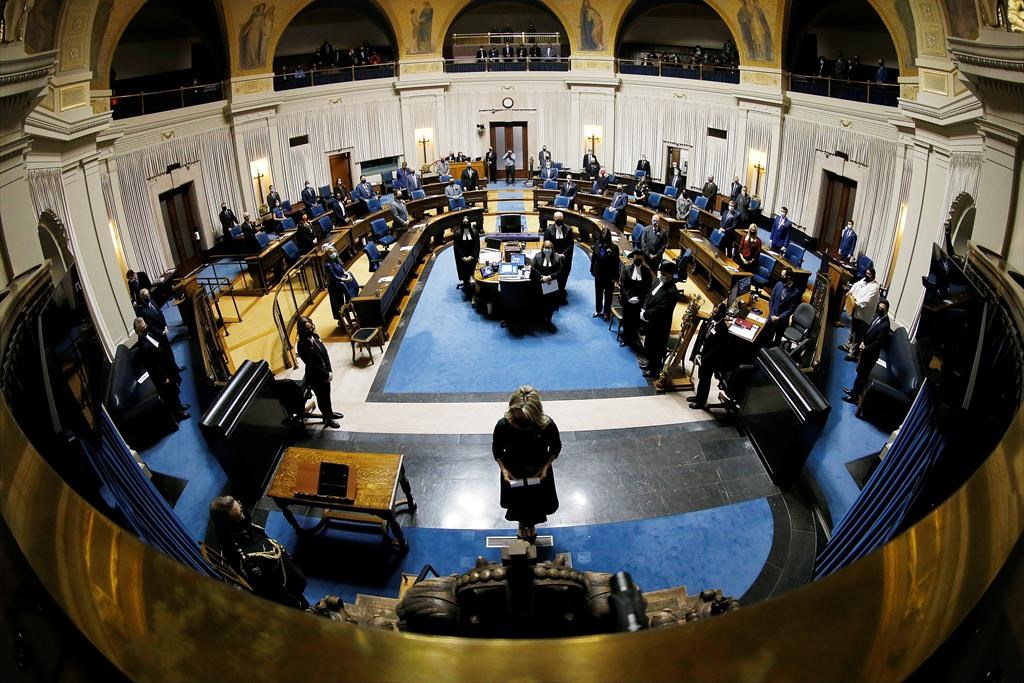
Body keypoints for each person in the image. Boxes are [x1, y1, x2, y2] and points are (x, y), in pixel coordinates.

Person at [209, 496, 308, 609]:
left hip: (277, 566)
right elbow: (271, 589)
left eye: (240, 506)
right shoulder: (248, 558)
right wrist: (296, 604)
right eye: (240, 513)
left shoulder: (234, 525)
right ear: (231, 524)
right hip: (278, 584)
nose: (244, 513)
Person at [492, 386, 561, 544]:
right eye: (518, 416)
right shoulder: (503, 425)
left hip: (538, 471)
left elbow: (556, 447)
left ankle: (530, 526)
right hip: (513, 471)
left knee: (536, 503)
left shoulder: (546, 425)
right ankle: (522, 525)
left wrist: (545, 467)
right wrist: (503, 470)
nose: (521, 420)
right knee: (518, 504)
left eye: (525, 418)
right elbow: (497, 449)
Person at [134, 317, 189, 421]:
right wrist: (163, 378)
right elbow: (152, 365)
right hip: (160, 374)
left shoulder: (148, 334)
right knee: (169, 394)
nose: (146, 327)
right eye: (144, 327)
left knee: (173, 389)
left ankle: (180, 406)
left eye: (145, 325)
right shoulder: (143, 346)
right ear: (139, 331)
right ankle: (178, 414)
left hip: (165, 366)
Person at [843, 300, 890, 405]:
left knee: (863, 376)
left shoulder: (886, 325)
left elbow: (878, 343)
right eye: (879, 307)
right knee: (859, 373)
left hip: (871, 354)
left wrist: (865, 348)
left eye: (882, 309)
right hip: (865, 349)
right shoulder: (877, 317)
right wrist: (863, 341)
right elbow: (869, 330)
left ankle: (854, 397)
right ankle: (853, 391)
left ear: (886, 310)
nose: (880, 310)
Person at [296, 316, 340, 428]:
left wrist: (329, 370)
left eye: (311, 327)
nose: (310, 330)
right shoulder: (302, 345)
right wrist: (326, 374)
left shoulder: (314, 336)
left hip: (325, 373)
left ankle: (329, 413)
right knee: (322, 399)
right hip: (315, 377)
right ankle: (328, 419)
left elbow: (324, 354)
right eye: (307, 329)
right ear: (302, 330)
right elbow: (312, 364)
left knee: (327, 396)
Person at [639, 261, 681, 378]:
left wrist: (647, 314)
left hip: (660, 325)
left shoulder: (672, 292)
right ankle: (649, 363)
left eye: (664, 274)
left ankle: (654, 370)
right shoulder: (658, 281)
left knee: (657, 348)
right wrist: (643, 308)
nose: (662, 275)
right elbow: (649, 295)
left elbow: (661, 309)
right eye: (661, 273)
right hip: (651, 321)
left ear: (671, 274)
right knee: (649, 344)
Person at [689, 302, 730, 410]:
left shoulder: (722, 329)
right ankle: (698, 397)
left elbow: (716, 350)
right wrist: (698, 353)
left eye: (716, 311)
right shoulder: (710, 320)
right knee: (701, 377)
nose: (714, 312)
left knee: (705, 380)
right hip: (702, 355)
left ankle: (701, 402)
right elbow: (702, 337)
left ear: (722, 313)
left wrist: (703, 358)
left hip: (710, 360)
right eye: (714, 309)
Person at [136, 288, 183, 373]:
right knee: (165, 353)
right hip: (158, 335)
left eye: (148, 294)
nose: (148, 296)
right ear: (143, 298)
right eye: (146, 295)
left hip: (163, 330)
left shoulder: (153, 301)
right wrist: (161, 332)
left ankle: (175, 367)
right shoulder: (144, 311)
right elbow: (150, 326)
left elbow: (160, 314)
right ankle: (172, 370)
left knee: (169, 350)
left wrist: (165, 326)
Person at [842, 267, 881, 358]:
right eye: (866, 273)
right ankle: (848, 345)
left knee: (858, 334)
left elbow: (866, 301)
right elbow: (855, 285)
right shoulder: (863, 280)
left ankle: (853, 353)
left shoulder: (874, 288)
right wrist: (850, 293)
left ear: (873, 276)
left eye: (869, 274)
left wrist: (854, 302)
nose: (867, 276)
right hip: (856, 311)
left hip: (864, 315)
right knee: (853, 329)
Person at [619, 250, 652, 350]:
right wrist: (629, 298)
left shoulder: (646, 272)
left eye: (640, 256)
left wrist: (638, 298)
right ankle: (625, 338)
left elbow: (647, 288)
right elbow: (623, 286)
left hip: (639, 302)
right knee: (626, 320)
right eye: (636, 255)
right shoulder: (627, 269)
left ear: (642, 258)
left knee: (635, 321)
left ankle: (633, 339)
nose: (638, 257)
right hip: (627, 300)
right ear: (633, 257)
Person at [530, 239, 563, 330]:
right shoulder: (537, 257)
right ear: (542, 248)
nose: (547, 250)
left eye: (549, 248)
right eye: (545, 248)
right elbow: (533, 269)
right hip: (539, 283)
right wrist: (541, 276)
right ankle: (540, 320)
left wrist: (550, 277)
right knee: (539, 302)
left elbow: (559, 270)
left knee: (550, 304)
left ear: (552, 249)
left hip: (550, 283)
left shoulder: (556, 258)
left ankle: (548, 320)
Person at [765, 268, 802, 346]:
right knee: (767, 337)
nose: (781, 277)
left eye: (783, 276)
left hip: (782, 320)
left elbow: (791, 309)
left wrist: (779, 318)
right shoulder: (779, 284)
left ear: (788, 277)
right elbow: (772, 299)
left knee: (777, 340)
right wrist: (772, 314)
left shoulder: (796, 292)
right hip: (772, 316)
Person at [543, 211, 574, 304]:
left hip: (565, 258)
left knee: (563, 276)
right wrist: (554, 254)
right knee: (552, 276)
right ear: (554, 219)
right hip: (552, 258)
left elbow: (570, 245)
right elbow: (546, 244)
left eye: (561, 219)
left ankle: (561, 294)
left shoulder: (568, 230)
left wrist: (563, 255)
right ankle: (552, 296)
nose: (559, 221)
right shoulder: (548, 230)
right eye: (558, 219)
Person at [590, 228, 619, 320]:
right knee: (598, 293)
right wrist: (592, 270)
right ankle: (598, 310)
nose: (604, 242)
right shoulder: (598, 244)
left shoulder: (614, 248)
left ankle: (607, 312)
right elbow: (594, 258)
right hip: (598, 274)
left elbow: (616, 263)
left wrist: (615, 277)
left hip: (609, 276)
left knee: (608, 295)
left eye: (605, 239)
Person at [324, 247, 356, 321]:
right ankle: (341, 322)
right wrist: (346, 279)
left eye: (334, 252)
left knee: (345, 303)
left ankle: (348, 320)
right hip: (334, 287)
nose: (333, 254)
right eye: (330, 253)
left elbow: (342, 270)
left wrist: (347, 274)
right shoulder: (328, 265)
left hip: (342, 284)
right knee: (339, 305)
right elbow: (335, 277)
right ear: (327, 255)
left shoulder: (336, 260)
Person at [453, 217, 479, 292]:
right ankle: (465, 282)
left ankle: (473, 280)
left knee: (473, 269)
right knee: (464, 270)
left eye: (467, 222)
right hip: (462, 257)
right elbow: (457, 247)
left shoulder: (474, 232)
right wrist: (463, 257)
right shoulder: (457, 234)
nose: (465, 224)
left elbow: (476, 246)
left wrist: (472, 256)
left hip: (472, 256)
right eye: (464, 223)